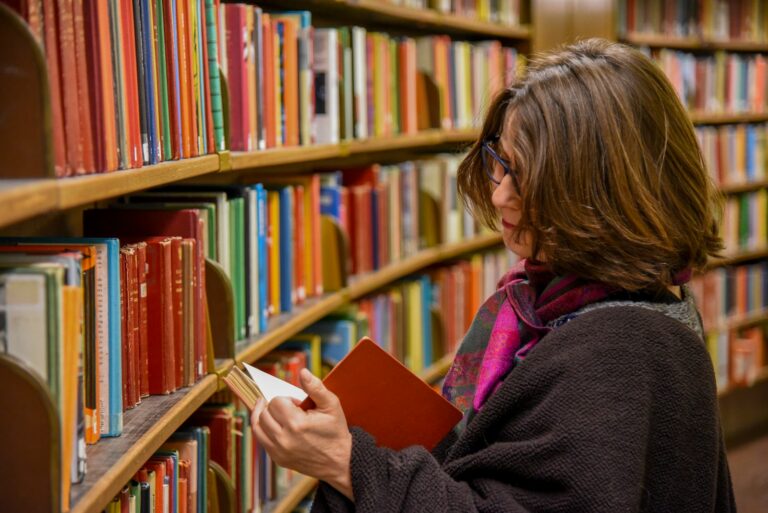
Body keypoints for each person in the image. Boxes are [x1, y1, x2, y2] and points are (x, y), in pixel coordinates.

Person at [250, 38, 736, 512]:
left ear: (601, 192)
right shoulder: (553, 302)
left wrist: (348, 463)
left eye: (527, 177)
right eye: (500, 164)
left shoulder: (617, 352)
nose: (501, 195)